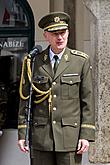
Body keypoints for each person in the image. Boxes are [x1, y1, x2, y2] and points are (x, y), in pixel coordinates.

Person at [18, 11, 95, 165]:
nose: (60, 37)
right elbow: (26, 101)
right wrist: (22, 133)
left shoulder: (80, 61)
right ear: (46, 35)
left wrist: (85, 135)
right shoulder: (34, 62)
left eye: (63, 32)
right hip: (41, 137)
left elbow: (87, 101)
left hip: (69, 137)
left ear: (68, 33)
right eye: (54, 33)